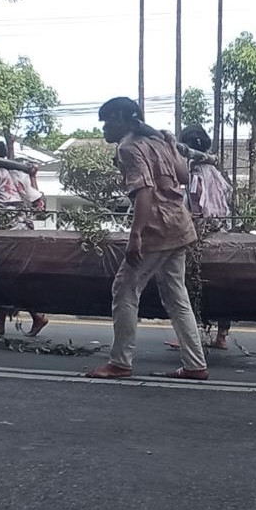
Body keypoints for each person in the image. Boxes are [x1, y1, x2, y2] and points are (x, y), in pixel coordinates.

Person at [85, 98, 209, 381]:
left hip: (157, 227)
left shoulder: (128, 147)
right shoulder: (159, 142)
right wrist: (169, 143)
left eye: (107, 121)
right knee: (176, 295)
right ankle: (195, 364)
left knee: (125, 288)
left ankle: (120, 362)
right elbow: (183, 176)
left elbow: (145, 192)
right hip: (179, 224)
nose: (104, 128)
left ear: (121, 119)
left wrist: (135, 236)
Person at [0, 138, 49, 338]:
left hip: (6, 231)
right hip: (23, 229)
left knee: (6, 277)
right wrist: (33, 177)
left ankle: (32, 316)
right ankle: (14, 319)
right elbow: (37, 203)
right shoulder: (19, 173)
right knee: (11, 277)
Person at [179, 124, 233, 349]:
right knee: (224, 287)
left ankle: (187, 336)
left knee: (189, 283)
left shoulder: (195, 173)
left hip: (199, 234)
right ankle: (221, 336)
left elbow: (196, 203)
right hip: (221, 231)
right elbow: (226, 197)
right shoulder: (216, 171)